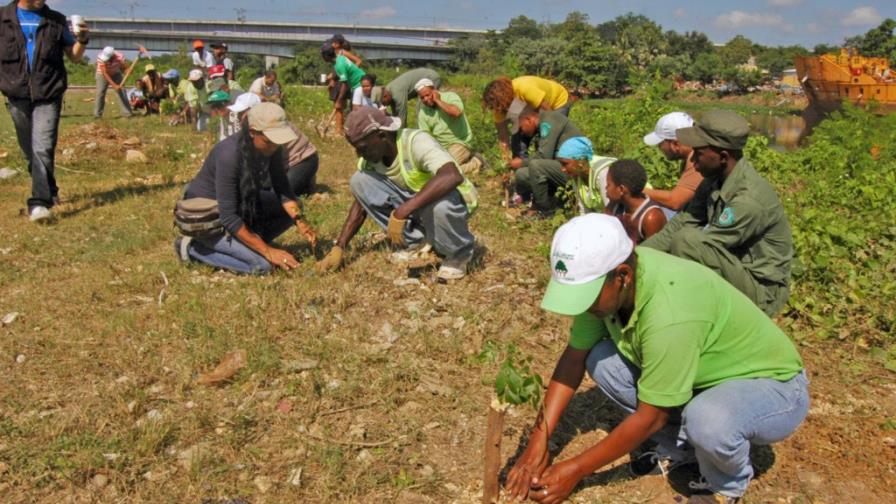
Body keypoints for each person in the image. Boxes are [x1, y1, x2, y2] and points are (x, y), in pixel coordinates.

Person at [506, 213, 809, 504]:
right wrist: (538, 442)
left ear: (622, 276)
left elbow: (653, 415)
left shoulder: (670, 313)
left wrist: (575, 469)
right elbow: (574, 359)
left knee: (708, 419)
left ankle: (725, 485)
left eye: (587, 296)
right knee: (601, 360)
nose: (582, 308)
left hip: (773, 389)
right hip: (704, 378)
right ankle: (687, 443)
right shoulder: (615, 284)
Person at [642, 110, 793, 316]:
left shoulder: (748, 200)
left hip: (761, 291)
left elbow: (702, 247)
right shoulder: (712, 180)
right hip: (734, 266)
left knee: (687, 241)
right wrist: (637, 256)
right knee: (682, 235)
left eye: (699, 154)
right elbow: (683, 222)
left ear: (722, 157)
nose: (693, 160)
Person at [316, 107, 478, 280]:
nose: (359, 154)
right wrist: (340, 246)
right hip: (419, 205)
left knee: (440, 206)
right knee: (359, 181)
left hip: (452, 200)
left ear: (382, 136)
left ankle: (457, 254)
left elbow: (452, 176)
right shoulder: (371, 160)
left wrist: (403, 210)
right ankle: (416, 242)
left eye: (362, 147)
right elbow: (360, 204)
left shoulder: (416, 142)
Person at [174, 103, 318, 275]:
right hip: (208, 219)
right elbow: (229, 217)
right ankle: (193, 248)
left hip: (238, 207)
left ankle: (247, 244)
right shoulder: (229, 155)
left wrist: (300, 221)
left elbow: (282, 188)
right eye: (269, 141)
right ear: (252, 132)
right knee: (262, 267)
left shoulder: (271, 149)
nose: (274, 146)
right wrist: (267, 251)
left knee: (294, 208)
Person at [1, 0, 88, 222]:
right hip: (16, 94)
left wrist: (82, 39)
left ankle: (40, 203)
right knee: (30, 149)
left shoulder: (56, 20)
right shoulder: (3, 18)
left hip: (48, 93)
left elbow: (75, 56)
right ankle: (50, 188)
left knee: (42, 147)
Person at [506, 99, 584, 215]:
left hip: (575, 171)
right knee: (521, 174)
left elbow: (543, 156)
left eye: (521, 128)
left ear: (528, 119)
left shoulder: (549, 121)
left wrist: (521, 162)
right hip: (561, 167)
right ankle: (554, 201)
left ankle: (543, 209)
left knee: (536, 166)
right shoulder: (542, 124)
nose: (521, 133)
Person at [482, 75, 570, 160]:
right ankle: (523, 169)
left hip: (556, 101)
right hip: (530, 106)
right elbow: (503, 135)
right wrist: (505, 159)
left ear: (505, 98)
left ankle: (556, 165)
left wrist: (541, 135)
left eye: (502, 106)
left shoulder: (524, 88)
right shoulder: (498, 107)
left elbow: (549, 115)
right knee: (517, 141)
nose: (501, 110)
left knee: (547, 137)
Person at [415, 78, 483, 176]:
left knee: (446, 171)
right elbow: (425, 137)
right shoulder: (423, 112)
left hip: (459, 142)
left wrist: (438, 100)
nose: (425, 99)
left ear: (434, 90)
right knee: (433, 170)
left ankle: (476, 163)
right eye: (422, 97)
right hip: (441, 147)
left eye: (428, 95)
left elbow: (456, 112)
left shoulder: (450, 97)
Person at [642, 112, 703, 211]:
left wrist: (637, 190)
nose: (659, 148)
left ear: (675, 144)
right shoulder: (691, 155)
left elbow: (675, 201)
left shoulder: (697, 162)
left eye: (661, 143)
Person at [605, 159, 666, 243]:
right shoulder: (615, 205)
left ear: (621, 189)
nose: (605, 188)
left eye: (608, 184)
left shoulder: (651, 218)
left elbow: (654, 252)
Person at [320, 42, 366, 134]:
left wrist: (339, 100)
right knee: (357, 110)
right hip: (356, 85)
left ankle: (360, 133)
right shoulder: (339, 59)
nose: (322, 57)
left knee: (357, 110)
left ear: (327, 56)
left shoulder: (339, 64)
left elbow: (344, 84)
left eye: (322, 55)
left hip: (360, 84)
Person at [94, 46, 133, 119]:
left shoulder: (120, 56)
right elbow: (104, 73)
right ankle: (97, 115)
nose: (106, 59)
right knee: (100, 92)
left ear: (113, 55)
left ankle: (127, 114)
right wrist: (114, 85)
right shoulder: (100, 57)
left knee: (122, 91)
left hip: (116, 73)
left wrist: (127, 71)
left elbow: (124, 67)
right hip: (102, 74)